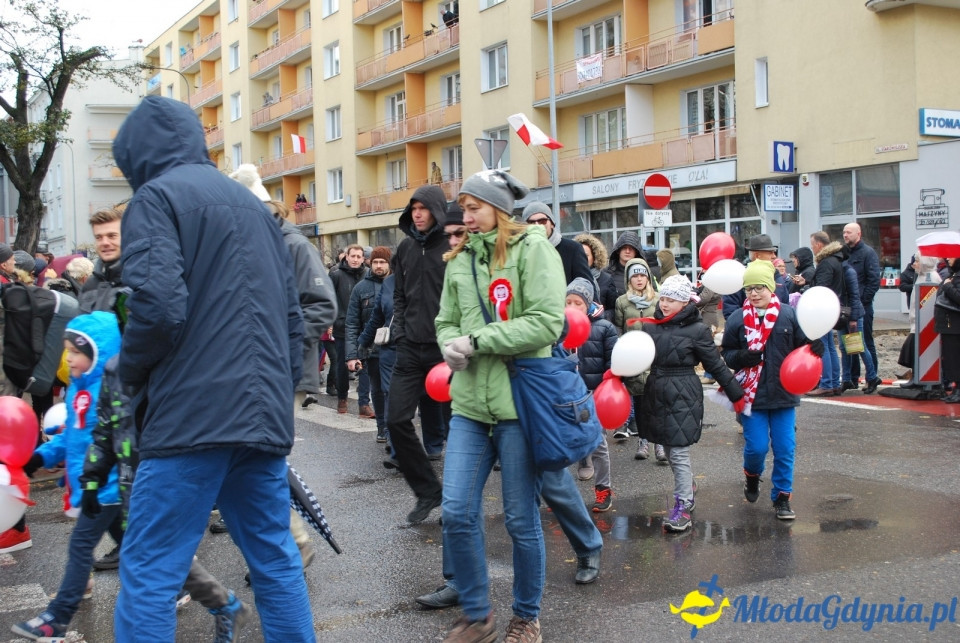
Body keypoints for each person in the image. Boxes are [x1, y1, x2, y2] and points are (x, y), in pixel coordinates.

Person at [110, 95, 313, 639]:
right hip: (261, 414)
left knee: (151, 569)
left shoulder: (155, 199)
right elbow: (293, 319)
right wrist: (275, 388)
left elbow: (157, 307)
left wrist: (127, 372)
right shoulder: (253, 207)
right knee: (275, 559)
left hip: (190, 416)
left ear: (137, 156)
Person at [434, 169, 563, 642]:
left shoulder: (534, 250)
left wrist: (479, 339)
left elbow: (549, 323)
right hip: (469, 403)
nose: (464, 217)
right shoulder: (459, 260)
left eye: (474, 208)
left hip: (520, 406)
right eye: (462, 209)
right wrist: (448, 343)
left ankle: (526, 617)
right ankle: (476, 614)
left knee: (520, 519)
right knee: (455, 511)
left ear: (499, 210)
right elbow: (445, 320)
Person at [79, 336, 252, 642]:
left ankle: (226, 606)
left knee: (151, 574)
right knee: (155, 567)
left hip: (170, 484)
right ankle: (226, 605)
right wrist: (92, 478)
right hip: (132, 487)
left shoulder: (183, 360)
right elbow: (107, 427)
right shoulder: (114, 369)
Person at [13, 312, 123, 639]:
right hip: (93, 487)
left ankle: (58, 618)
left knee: (80, 548)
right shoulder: (79, 388)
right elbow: (71, 436)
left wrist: (92, 483)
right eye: (66, 351)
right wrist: (39, 456)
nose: (68, 358)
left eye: (75, 351)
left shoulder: (107, 390)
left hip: (104, 488)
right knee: (133, 547)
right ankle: (180, 590)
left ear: (97, 352)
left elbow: (112, 443)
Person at [639, 275, 744, 533]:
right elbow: (637, 358)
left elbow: (715, 365)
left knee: (679, 450)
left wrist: (736, 393)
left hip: (683, 393)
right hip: (655, 391)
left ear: (685, 301)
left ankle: (683, 505)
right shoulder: (650, 326)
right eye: (663, 298)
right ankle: (688, 488)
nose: (664, 303)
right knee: (667, 447)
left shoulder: (697, 330)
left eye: (671, 300)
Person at [228, 164, 338, 410]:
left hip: (283, 369)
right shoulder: (242, 243)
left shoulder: (294, 245)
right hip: (245, 368)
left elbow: (322, 304)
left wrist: (283, 346)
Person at [721, 261, 822, 521]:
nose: (753, 294)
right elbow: (729, 356)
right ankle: (752, 477)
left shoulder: (789, 315)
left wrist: (815, 347)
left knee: (785, 448)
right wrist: (743, 355)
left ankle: (782, 498)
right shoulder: (736, 319)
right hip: (751, 397)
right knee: (756, 448)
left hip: (783, 395)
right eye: (748, 289)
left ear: (771, 288)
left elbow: (803, 347)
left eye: (759, 288)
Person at [389, 184, 449, 524]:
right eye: (413, 207)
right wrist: (400, 332)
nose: (417, 213)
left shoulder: (452, 247)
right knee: (396, 419)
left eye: (423, 207)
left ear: (437, 211)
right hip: (410, 347)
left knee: (458, 427)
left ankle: (454, 498)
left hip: (445, 349)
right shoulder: (406, 247)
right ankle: (428, 490)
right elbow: (399, 294)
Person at [566, 277, 618, 512]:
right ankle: (562, 496)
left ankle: (603, 489)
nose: (572, 307)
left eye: (577, 302)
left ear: (588, 303)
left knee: (598, 444)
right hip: (566, 395)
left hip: (594, 394)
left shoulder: (604, 328)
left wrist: (608, 386)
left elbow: (614, 363)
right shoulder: (559, 327)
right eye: (568, 302)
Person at [612, 258, 664, 460]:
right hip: (633, 361)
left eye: (642, 275)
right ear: (629, 280)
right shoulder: (622, 302)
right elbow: (619, 329)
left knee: (657, 404)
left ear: (648, 278)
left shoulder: (658, 300)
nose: (639, 279)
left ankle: (659, 443)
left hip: (655, 359)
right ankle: (643, 441)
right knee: (641, 406)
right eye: (635, 276)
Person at [347, 246, 392, 427]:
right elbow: (352, 323)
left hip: (396, 347)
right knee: (378, 391)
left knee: (395, 391)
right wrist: (352, 354)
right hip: (372, 349)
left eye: (382, 262)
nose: (378, 266)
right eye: (375, 262)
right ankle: (382, 427)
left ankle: (393, 428)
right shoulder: (360, 288)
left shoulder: (398, 284)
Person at [799, 232, 846, 397]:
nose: (812, 248)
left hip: (822, 309)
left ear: (819, 244)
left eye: (812, 244)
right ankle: (833, 382)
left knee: (824, 346)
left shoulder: (826, 263)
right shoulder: (837, 260)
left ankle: (826, 383)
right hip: (831, 307)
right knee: (831, 347)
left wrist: (809, 288)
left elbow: (822, 287)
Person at [521, 201, 597, 300]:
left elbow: (586, 286)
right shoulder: (519, 252)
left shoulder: (573, 249)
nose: (537, 226)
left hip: (565, 312)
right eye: (531, 222)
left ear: (552, 223)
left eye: (542, 221)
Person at [329, 244, 369, 414]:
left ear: (363, 259)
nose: (355, 260)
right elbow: (329, 298)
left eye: (359, 257)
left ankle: (364, 403)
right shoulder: (336, 274)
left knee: (365, 365)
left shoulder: (367, 274)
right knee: (342, 365)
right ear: (346, 256)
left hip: (364, 326)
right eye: (353, 256)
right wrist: (331, 322)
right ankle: (342, 398)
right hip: (342, 326)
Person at [838, 247, 882, 395]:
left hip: (851, 314)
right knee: (846, 348)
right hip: (844, 313)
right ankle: (847, 379)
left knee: (859, 346)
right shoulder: (842, 271)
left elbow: (854, 296)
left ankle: (872, 376)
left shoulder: (848, 272)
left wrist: (854, 318)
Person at [722, 234, 790, 319]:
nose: (774, 256)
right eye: (770, 253)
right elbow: (731, 311)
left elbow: (785, 305)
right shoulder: (738, 277)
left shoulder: (777, 276)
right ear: (757, 256)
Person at [79, 206, 125, 313]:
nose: (104, 242)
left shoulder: (140, 282)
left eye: (112, 236)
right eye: (98, 237)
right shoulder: (90, 285)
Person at [935, 258, 960, 403]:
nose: (948, 259)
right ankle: (956, 390)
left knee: (955, 359)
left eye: (951, 256)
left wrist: (948, 286)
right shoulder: (953, 275)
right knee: (952, 359)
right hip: (950, 325)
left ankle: (958, 390)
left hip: (955, 325)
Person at [575, 233, 614, 319]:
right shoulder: (570, 277)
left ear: (595, 256)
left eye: (586, 255)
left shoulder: (607, 279)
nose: (582, 258)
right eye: (579, 254)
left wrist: (599, 315)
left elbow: (613, 309)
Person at [603, 231, 642, 305]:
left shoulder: (644, 273)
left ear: (636, 251)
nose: (627, 251)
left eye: (631, 248)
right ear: (618, 250)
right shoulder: (606, 273)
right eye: (624, 248)